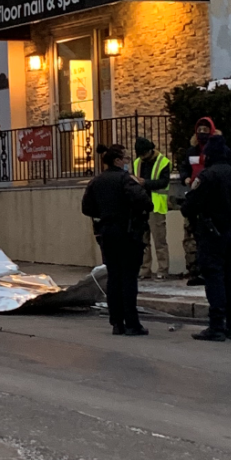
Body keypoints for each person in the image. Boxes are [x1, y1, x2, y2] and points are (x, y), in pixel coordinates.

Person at [181, 134, 231, 342]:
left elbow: (189, 206)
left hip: (212, 234)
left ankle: (217, 325)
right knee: (229, 277)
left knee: (214, 278)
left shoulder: (207, 176)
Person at [81, 143, 151, 336]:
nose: (127, 162)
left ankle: (116, 323)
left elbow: (87, 208)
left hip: (107, 232)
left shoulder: (96, 181)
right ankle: (132, 323)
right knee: (128, 278)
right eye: (125, 159)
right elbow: (144, 201)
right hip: (127, 232)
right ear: (117, 160)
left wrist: (105, 213)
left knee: (114, 277)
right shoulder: (125, 179)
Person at [177, 116, 217, 285]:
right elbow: (184, 167)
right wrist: (185, 178)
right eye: (199, 131)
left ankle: (210, 270)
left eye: (205, 131)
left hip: (209, 196)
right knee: (192, 237)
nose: (202, 134)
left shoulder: (215, 150)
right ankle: (195, 270)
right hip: (193, 193)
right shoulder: (191, 151)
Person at [132, 137, 172, 279]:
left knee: (159, 240)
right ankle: (145, 270)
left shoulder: (163, 162)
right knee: (143, 241)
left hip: (156, 207)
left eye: (144, 154)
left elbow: (164, 182)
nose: (142, 157)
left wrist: (146, 183)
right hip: (141, 206)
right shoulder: (137, 162)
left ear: (150, 150)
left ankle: (163, 270)